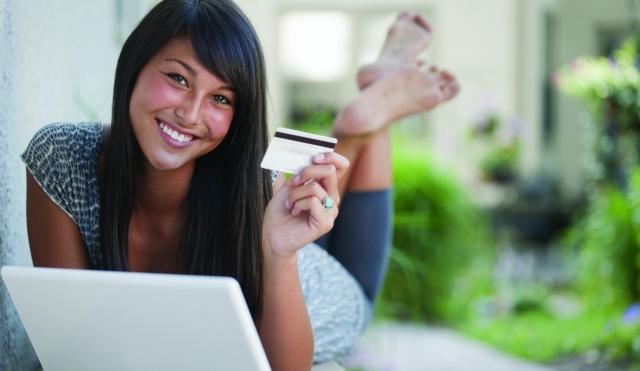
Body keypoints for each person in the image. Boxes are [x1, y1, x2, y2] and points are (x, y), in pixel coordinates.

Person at [21, 1, 458, 370]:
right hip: (266, 217)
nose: (190, 113)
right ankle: (363, 113)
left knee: (359, 297)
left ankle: (362, 125)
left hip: (308, 287)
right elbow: (71, 350)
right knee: (292, 198)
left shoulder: (258, 189)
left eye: (220, 98)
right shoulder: (63, 158)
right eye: (178, 78)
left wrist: (280, 253)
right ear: (135, 65)